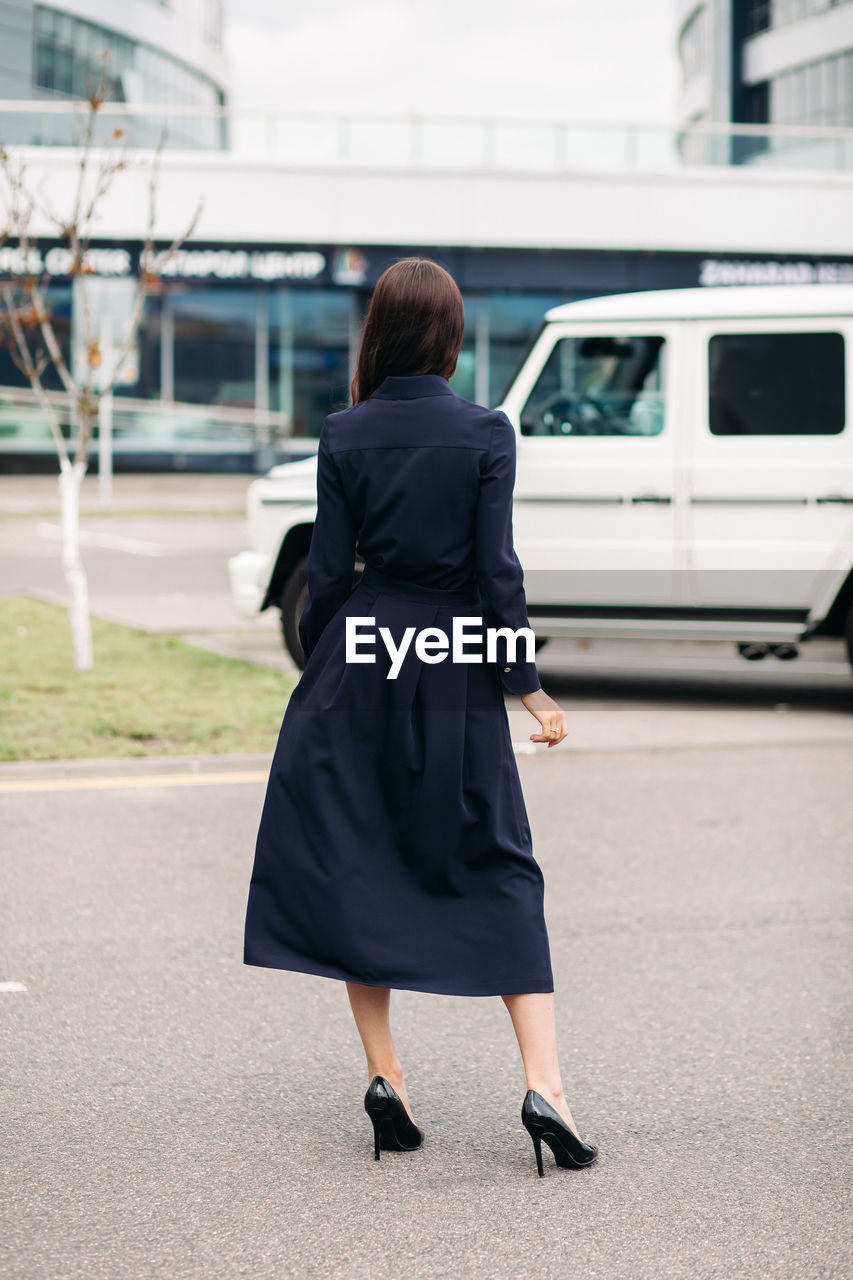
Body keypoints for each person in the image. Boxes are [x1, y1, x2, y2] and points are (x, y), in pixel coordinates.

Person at [243, 257, 598, 1176]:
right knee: (498, 857)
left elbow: (327, 573)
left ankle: (387, 1082)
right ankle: (544, 1088)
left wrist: (328, 667)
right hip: (450, 659)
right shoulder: (486, 432)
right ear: (449, 335)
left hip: (360, 655)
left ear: (380, 333)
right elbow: (496, 573)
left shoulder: (343, 432)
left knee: (359, 859)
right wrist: (526, 684)